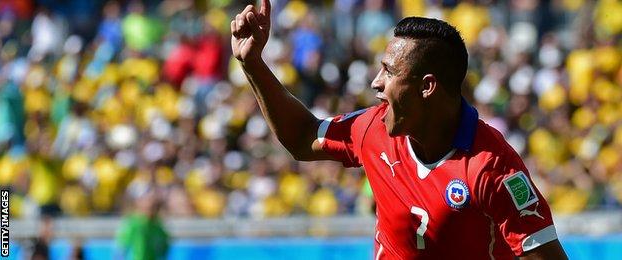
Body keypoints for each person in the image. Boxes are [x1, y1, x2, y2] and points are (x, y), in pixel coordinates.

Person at [230, 1, 568, 259]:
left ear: (427, 87)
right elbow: (303, 137)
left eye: (389, 72)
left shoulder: (491, 167)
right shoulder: (372, 128)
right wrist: (253, 64)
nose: (376, 83)